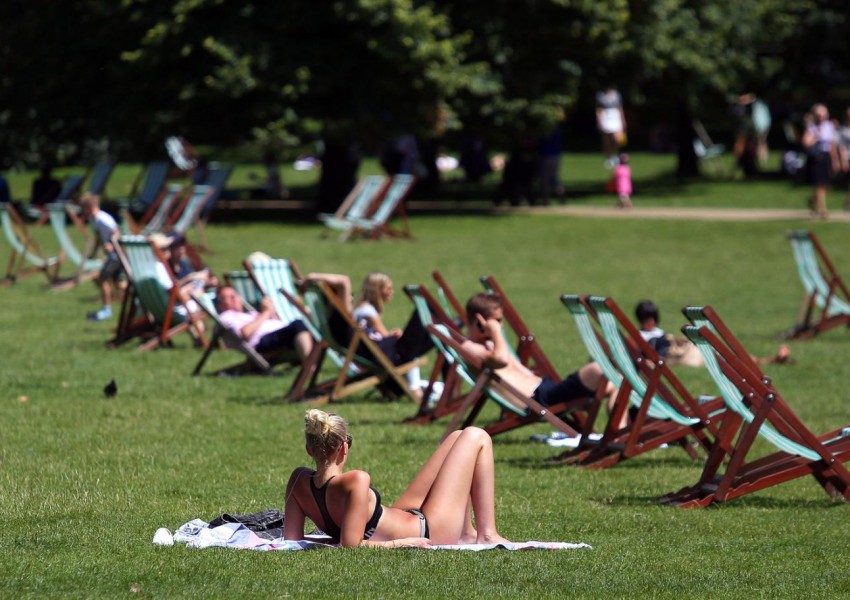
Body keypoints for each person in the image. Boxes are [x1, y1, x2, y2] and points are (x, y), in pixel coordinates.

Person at [283, 409, 510, 547]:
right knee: (476, 435)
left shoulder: (297, 480)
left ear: (308, 449)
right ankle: (488, 534)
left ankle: (467, 533)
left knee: (457, 437)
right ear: (344, 448)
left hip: (405, 515)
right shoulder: (356, 480)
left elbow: (293, 540)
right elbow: (350, 546)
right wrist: (400, 543)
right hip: (429, 530)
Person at [460, 292, 619, 424]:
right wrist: (495, 331)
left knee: (616, 383)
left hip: (545, 390)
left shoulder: (490, 345)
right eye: (497, 321)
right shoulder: (469, 348)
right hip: (537, 400)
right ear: (479, 320)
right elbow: (501, 361)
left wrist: (494, 335)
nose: (500, 326)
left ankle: (617, 435)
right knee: (599, 369)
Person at [337, 272, 433, 397]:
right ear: (377, 291)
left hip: (375, 352)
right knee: (413, 348)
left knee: (414, 347)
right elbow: (384, 336)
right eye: (388, 288)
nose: (391, 292)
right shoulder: (368, 312)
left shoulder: (362, 308)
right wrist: (393, 336)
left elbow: (380, 336)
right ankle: (417, 391)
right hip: (380, 355)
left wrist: (391, 335)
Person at [634, 300, 791, 368]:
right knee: (725, 357)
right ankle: (771, 360)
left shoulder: (659, 332)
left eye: (652, 318)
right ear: (640, 319)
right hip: (687, 356)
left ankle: (769, 360)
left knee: (726, 353)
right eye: (646, 318)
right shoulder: (638, 337)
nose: (650, 322)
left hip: (691, 348)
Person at [215, 285, 314, 365]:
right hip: (261, 343)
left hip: (276, 335)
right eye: (229, 297)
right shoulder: (226, 316)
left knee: (309, 322)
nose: (235, 298)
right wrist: (265, 312)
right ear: (220, 304)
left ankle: (310, 363)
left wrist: (271, 312)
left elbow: (273, 323)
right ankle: (310, 367)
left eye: (235, 295)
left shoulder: (250, 314)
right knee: (298, 324)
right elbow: (245, 333)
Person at [81, 193, 124, 321]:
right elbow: (99, 238)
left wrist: (111, 245)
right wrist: (93, 253)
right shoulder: (94, 220)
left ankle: (106, 310)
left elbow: (117, 232)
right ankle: (137, 302)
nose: (83, 211)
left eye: (84, 208)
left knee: (103, 279)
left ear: (89, 207)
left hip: (115, 254)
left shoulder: (102, 219)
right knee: (119, 284)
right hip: (113, 254)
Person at [802, 103, 840, 219]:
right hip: (816, 158)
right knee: (819, 184)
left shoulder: (829, 126)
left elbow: (832, 145)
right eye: (819, 115)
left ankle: (813, 200)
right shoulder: (811, 128)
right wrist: (816, 136)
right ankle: (823, 210)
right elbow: (806, 143)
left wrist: (835, 160)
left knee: (826, 185)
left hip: (826, 156)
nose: (822, 117)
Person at [596, 86, 627, 168]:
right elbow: (599, 109)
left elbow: (620, 107)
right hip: (605, 116)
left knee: (616, 138)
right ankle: (608, 156)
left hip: (615, 116)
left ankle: (614, 155)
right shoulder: (600, 95)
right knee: (607, 138)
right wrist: (599, 121)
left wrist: (623, 120)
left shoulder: (617, 94)